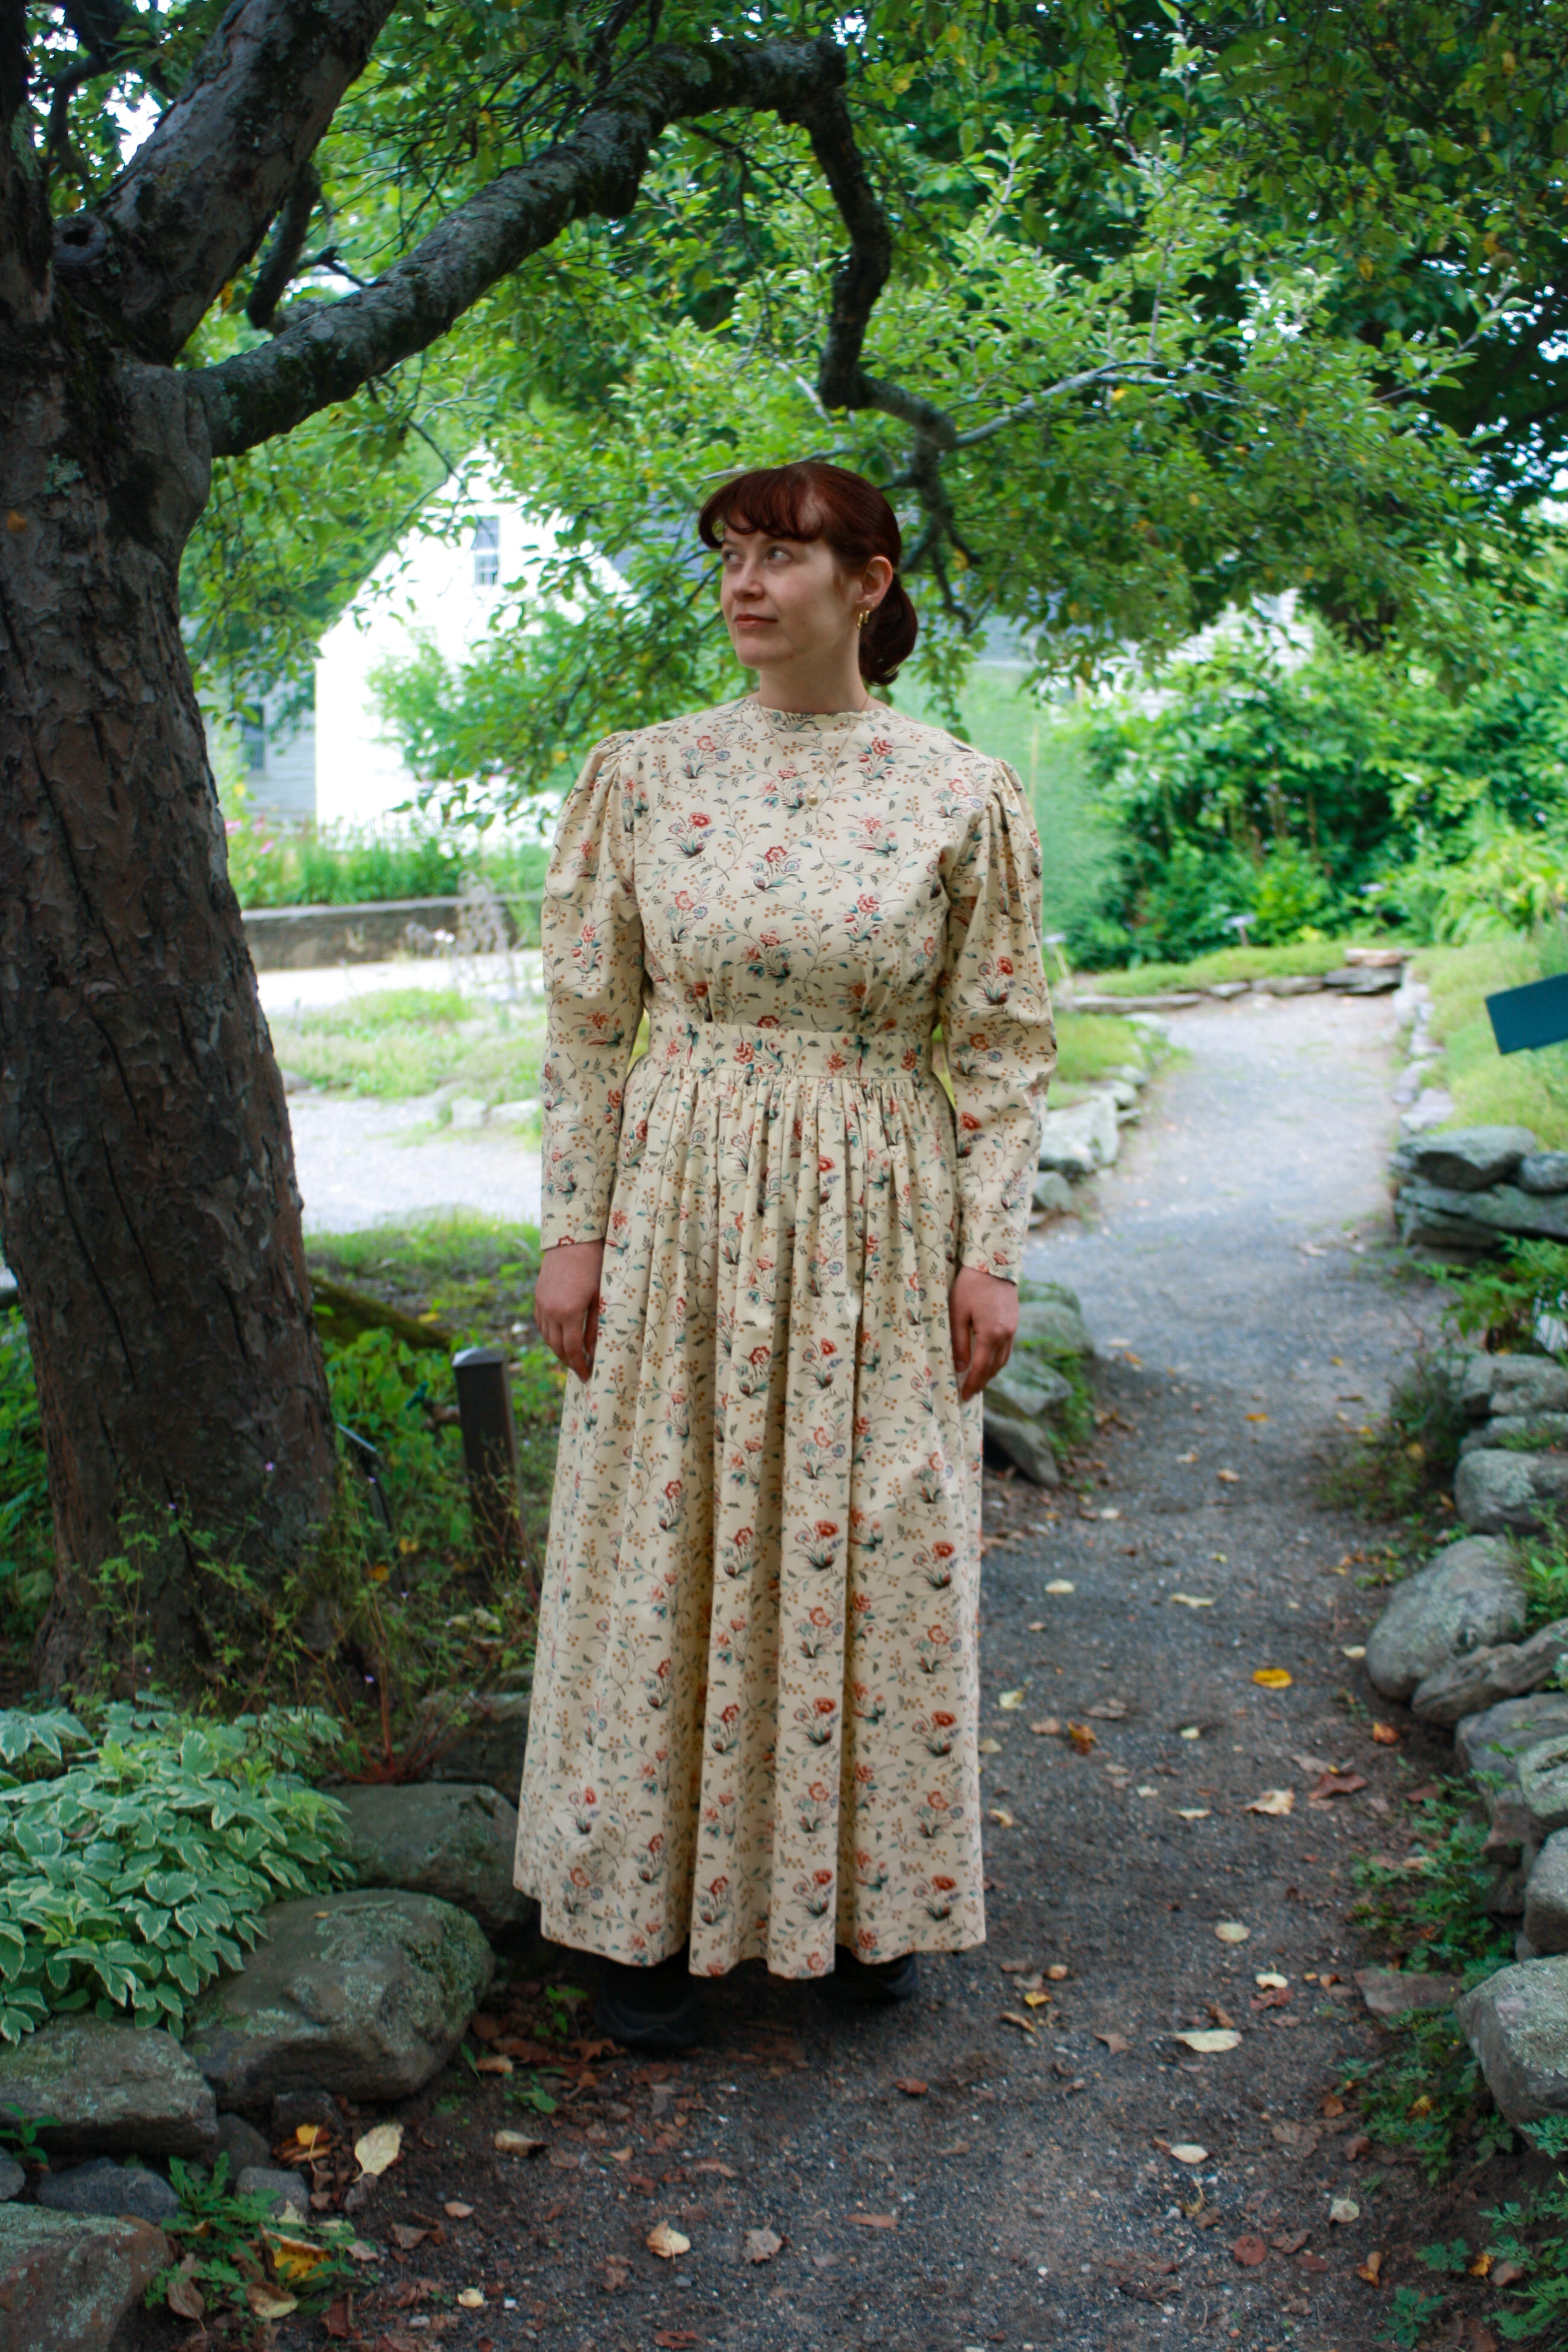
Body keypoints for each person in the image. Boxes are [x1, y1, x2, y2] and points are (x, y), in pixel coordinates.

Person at [515, 460, 1056, 2051]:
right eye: (731, 558)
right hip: (682, 1197)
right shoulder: (645, 777)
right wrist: (574, 1228)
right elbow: (587, 1025)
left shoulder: (959, 794)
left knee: (875, 1537)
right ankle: (641, 1924)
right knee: (661, 1538)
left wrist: (993, 1251)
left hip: (880, 1211)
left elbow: (1009, 1046)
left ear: (869, 584)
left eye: (782, 557)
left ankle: (864, 1899)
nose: (746, 585)